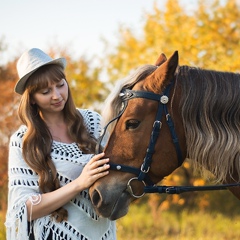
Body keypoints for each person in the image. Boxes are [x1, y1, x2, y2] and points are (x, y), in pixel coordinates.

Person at [5, 48, 116, 240]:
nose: (57, 95)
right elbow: (24, 209)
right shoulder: (23, 141)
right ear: (31, 98)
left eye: (60, 85)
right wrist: (80, 183)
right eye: (45, 91)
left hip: (101, 233)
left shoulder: (93, 121)